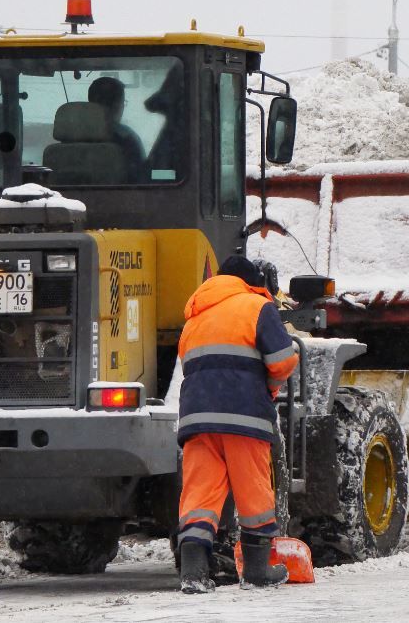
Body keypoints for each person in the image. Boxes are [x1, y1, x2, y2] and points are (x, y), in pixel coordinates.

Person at [175, 255, 298, 593]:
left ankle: (194, 573)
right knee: (253, 491)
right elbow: (283, 360)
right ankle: (257, 570)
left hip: (197, 418)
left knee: (200, 494)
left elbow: (191, 362)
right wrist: (269, 387)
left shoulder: (195, 314)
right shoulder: (257, 306)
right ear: (250, 282)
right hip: (244, 416)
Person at [87, 76, 146, 182]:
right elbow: (141, 178)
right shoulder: (128, 139)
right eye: (123, 103)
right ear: (117, 105)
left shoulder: (70, 135)